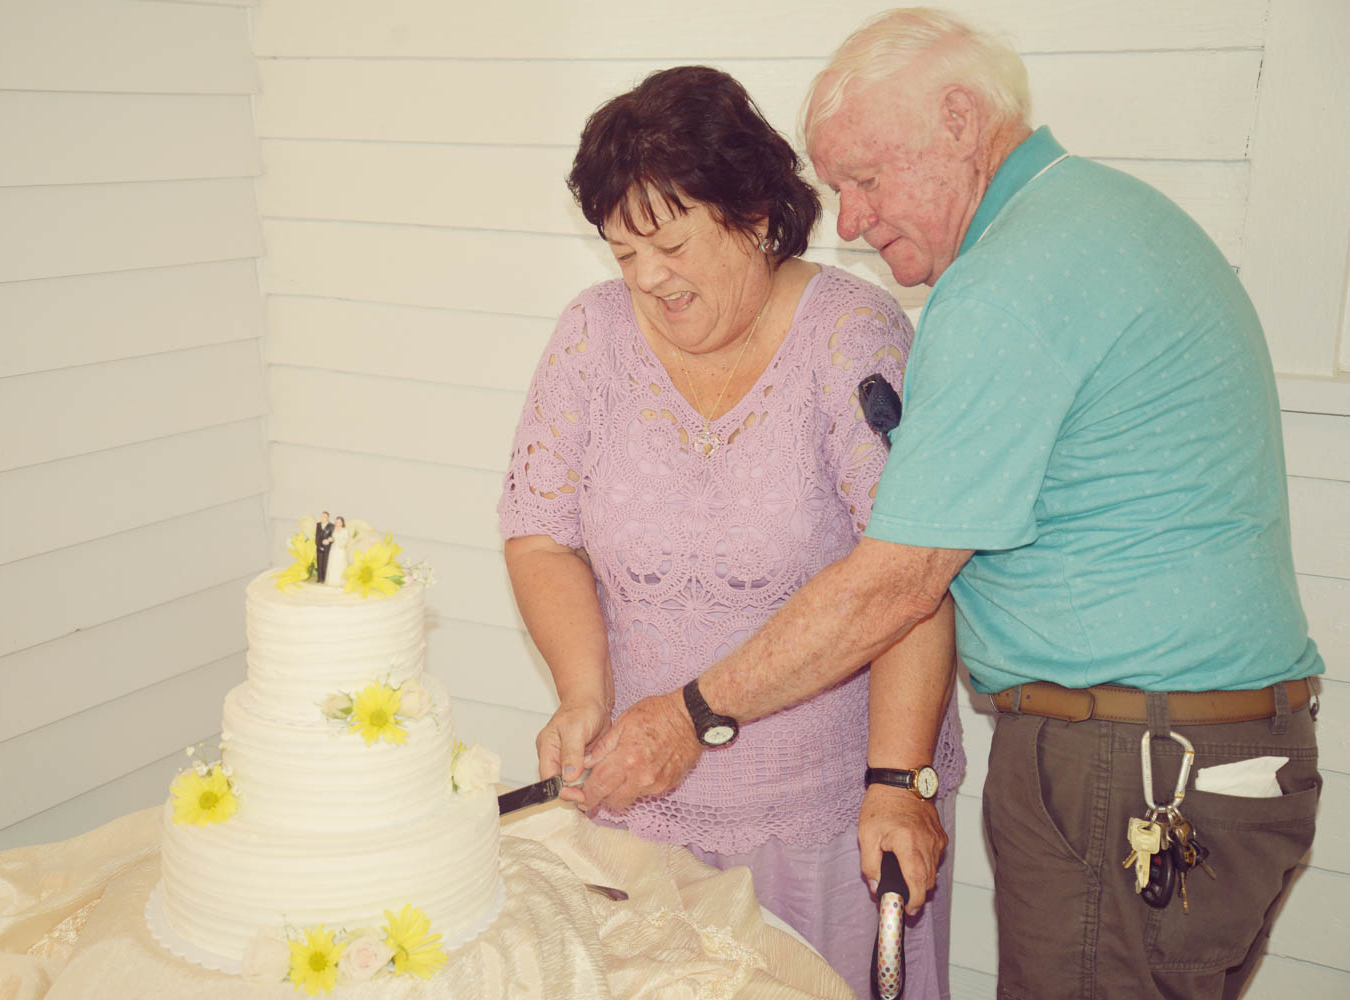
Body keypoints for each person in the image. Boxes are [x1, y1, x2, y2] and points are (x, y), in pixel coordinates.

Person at [577, 10, 1323, 1000]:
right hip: (1178, 756)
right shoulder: (1095, 219)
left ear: (962, 121)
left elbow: (895, 584)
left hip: (1136, 770)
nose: (846, 221)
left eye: (864, 179)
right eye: (840, 189)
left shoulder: (1008, 283)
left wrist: (691, 714)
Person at [498, 64, 963, 992]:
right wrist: (582, 693)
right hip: (640, 809)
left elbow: (911, 583)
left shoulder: (852, 338)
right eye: (622, 255)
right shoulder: (591, 338)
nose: (646, 279)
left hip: (828, 822)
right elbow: (541, 532)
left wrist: (896, 781)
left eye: (668, 244)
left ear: (753, 216)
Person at [323, 515, 350, 587]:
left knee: (340, 564)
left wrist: (343, 545)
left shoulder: (345, 530)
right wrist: (330, 540)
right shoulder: (334, 529)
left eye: (339, 522)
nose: (338, 523)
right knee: (333, 563)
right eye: (337, 522)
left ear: (342, 523)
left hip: (341, 549)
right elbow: (331, 538)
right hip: (334, 548)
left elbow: (346, 539)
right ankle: (332, 580)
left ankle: (340, 581)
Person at [314, 511, 334, 584]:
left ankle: (324, 578)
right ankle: (319, 578)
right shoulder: (318, 525)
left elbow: (333, 537)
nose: (323, 518)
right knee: (319, 563)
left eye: (325, 516)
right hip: (319, 547)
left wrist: (329, 541)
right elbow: (316, 537)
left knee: (325, 563)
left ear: (328, 517)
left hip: (327, 548)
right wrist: (319, 544)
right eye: (322, 516)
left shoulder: (331, 526)